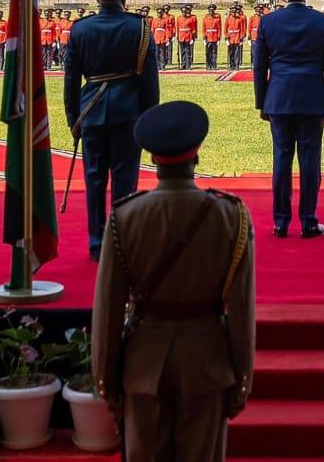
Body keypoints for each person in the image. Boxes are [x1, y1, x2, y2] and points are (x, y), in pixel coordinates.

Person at [93, 101, 255, 462]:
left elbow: (107, 309)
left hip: (143, 362)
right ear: (196, 155)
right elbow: (242, 310)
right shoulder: (231, 216)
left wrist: (106, 378)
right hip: (207, 362)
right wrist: (242, 378)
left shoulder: (125, 216)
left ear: (152, 158)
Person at [64, 0, 161, 261]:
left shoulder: (80, 29)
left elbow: (71, 80)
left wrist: (73, 119)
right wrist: (148, 117)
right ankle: (123, 241)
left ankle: (96, 244)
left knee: (94, 181)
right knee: (125, 180)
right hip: (127, 113)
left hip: (91, 113)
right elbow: (150, 82)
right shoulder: (140, 28)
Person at [252, 0, 324, 239]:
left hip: (279, 97)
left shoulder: (268, 22)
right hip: (313, 97)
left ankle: (280, 222)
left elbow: (260, 67)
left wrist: (262, 102)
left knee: (282, 159)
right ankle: (309, 221)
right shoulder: (323, 22)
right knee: (310, 161)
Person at [202, 5, 222, 70]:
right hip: (208, 38)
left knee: (214, 53)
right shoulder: (205, 18)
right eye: (210, 10)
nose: (211, 12)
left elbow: (219, 28)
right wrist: (204, 38)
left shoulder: (217, 19)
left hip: (214, 38)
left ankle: (214, 65)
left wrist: (219, 38)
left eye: (212, 10)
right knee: (207, 53)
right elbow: (204, 29)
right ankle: (208, 65)